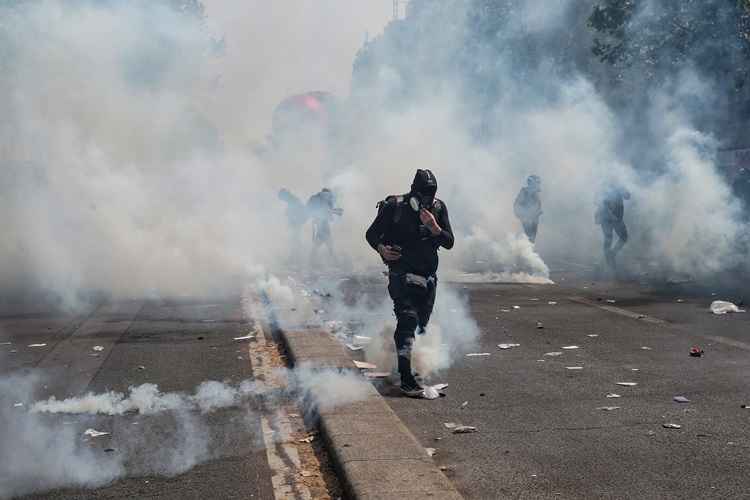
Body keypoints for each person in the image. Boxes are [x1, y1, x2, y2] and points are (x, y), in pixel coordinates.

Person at [365, 169, 454, 397]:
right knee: (408, 321)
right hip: (401, 275)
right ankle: (406, 378)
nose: (427, 199)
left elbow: (449, 242)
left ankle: (404, 367)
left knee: (421, 326)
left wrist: (435, 228)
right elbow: (372, 234)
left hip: (428, 279)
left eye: (431, 194)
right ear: (414, 192)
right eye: (423, 194)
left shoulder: (439, 208)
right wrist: (381, 248)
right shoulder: (395, 206)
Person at [595, 184, 630, 270]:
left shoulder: (619, 187)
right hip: (606, 218)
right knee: (608, 238)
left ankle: (611, 255)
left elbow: (627, 196)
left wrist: (624, 191)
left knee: (623, 237)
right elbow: (596, 201)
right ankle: (609, 262)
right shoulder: (603, 187)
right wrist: (609, 212)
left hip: (616, 218)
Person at [307, 188, 343, 263]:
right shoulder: (326, 197)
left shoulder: (317, 198)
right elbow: (327, 211)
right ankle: (335, 261)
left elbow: (324, 211)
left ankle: (311, 260)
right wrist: (337, 212)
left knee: (319, 244)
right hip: (323, 224)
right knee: (328, 244)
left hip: (320, 223)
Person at [278, 189, 308, 262]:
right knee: (294, 240)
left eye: (282, 198)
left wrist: (295, 221)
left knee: (295, 240)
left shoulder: (294, 200)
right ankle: (295, 257)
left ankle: (297, 257)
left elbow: (299, 211)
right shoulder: (292, 200)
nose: (283, 200)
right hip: (295, 223)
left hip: (296, 223)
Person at [513, 175, 542, 243]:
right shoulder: (525, 192)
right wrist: (523, 215)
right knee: (529, 237)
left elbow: (537, 205)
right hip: (527, 219)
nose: (538, 184)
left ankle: (528, 251)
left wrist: (538, 212)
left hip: (534, 219)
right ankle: (524, 251)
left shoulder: (536, 193)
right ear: (531, 183)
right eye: (537, 182)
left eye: (538, 182)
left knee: (532, 239)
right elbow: (517, 205)